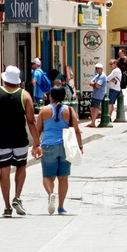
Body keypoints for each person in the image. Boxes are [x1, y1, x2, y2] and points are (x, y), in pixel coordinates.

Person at [0, 65, 41, 217]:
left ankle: (7, 206)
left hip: (2, 138)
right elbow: (31, 121)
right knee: (21, 167)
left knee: (5, 170)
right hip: (20, 138)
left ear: (5, 78)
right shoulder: (25, 95)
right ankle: (17, 197)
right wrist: (37, 143)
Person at [37, 86, 82, 214]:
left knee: (48, 176)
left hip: (48, 145)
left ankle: (50, 193)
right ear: (64, 97)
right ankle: (61, 207)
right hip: (65, 147)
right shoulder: (69, 110)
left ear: (50, 96)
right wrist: (80, 146)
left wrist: (36, 145)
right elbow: (76, 130)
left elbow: (37, 130)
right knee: (63, 177)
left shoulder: (44, 110)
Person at [89, 63, 107, 127]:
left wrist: (94, 84)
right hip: (95, 94)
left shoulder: (102, 76)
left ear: (102, 69)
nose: (97, 69)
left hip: (99, 95)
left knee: (95, 108)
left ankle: (93, 122)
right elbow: (90, 83)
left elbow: (98, 85)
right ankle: (92, 122)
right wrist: (94, 84)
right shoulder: (97, 76)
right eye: (96, 68)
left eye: (98, 68)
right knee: (92, 107)